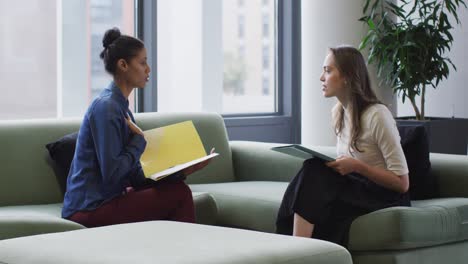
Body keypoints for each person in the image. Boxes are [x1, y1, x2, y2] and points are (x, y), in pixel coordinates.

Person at [62, 27, 211, 227]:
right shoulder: (106, 108)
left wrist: (182, 171)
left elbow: (134, 176)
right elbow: (113, 175)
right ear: (123, 65)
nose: (148, 69)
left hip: (106, 200)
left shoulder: (121, 109)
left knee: (177, 186)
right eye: (142, 63)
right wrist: (138, 142)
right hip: (88, 208)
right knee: (179, 194)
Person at [276, 45, 410, 247]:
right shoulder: (339, 112)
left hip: (384, 194)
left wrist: (357, 167)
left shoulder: (377, 115)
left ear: (347, 76)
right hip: (358, 185)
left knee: (313, 172)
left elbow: (402, 183)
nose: (322, 78)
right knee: (312, 168)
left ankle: (297, 250)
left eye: (328, 71)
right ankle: (295, 247)